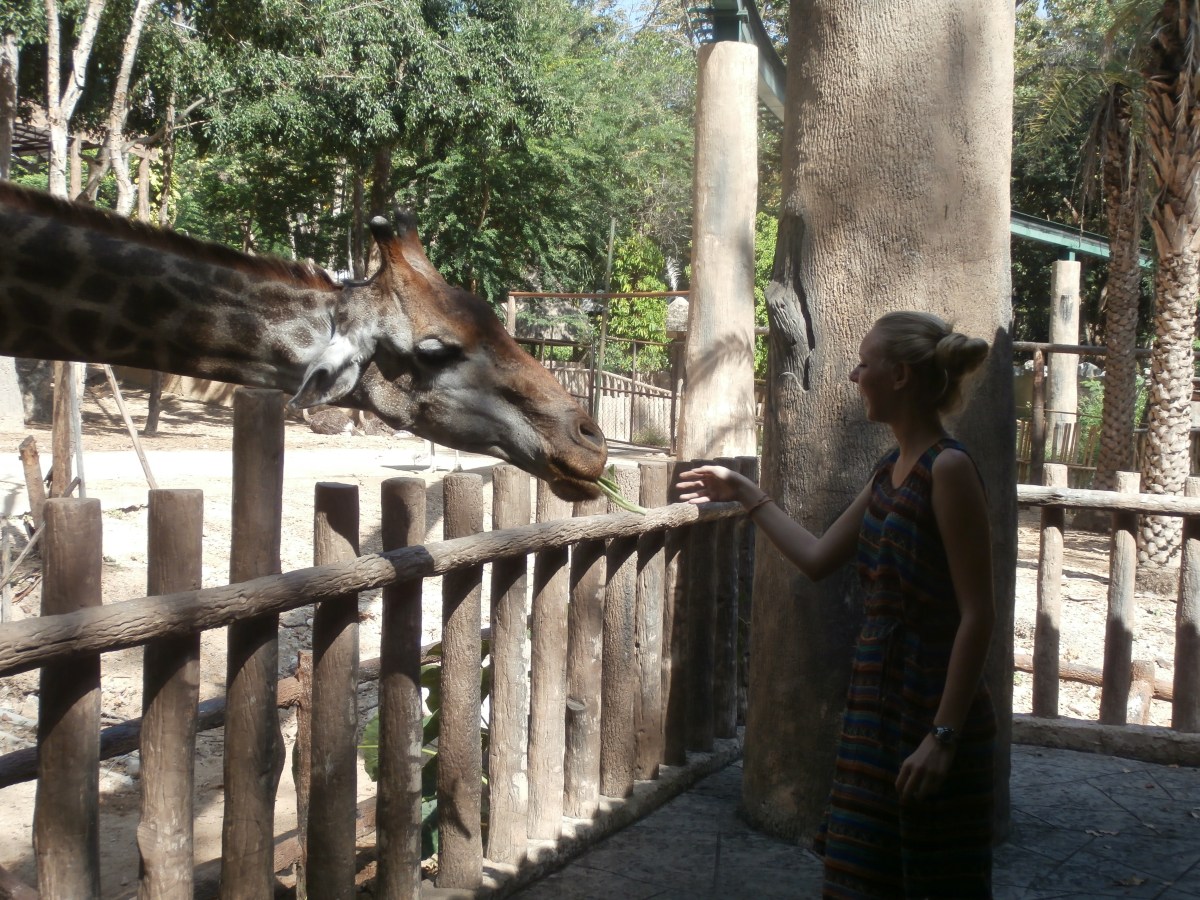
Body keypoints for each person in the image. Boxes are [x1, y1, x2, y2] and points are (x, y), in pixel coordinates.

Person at [677, 311, 996, 899]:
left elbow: (977, 614)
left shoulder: (947, 469)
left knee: (935, 874)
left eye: (864, 364)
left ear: (899, 376)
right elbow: (819, 556)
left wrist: (943, 736)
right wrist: (746, 493)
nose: (854, 375)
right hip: (875, 699)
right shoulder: (889, 473)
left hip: (929, 701)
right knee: (862, 873)